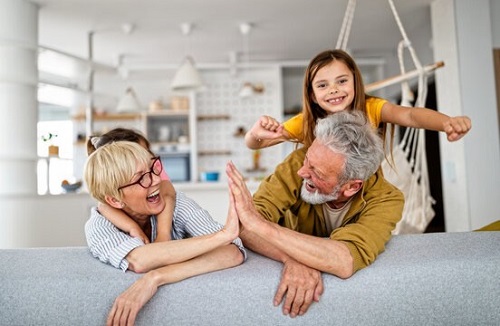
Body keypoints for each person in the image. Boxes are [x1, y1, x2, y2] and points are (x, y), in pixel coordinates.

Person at [227, 110, 404, 318]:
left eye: (317, 173)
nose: (303, 172)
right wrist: (292, 258)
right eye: (307, 161)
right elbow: (244, 225)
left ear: (351, 187)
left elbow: (344, 260)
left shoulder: (388, 199)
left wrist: (262, 227)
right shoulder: (300, 162)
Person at [84, 141, 246, 326]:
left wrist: (157, 277)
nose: (156, 180)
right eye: (141, 178)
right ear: (114, 200)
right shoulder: (98, 226)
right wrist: (223, 235)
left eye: (153, 169)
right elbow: (140, 260)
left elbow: (233, 252)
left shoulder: (177, 204)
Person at [245, 49, 471, 150]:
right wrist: (255, 134)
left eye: (341, 81)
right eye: (323, 86)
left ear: (355, 82)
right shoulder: (306, 122)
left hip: (362, 192)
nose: (333, 90)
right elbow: (259, 144)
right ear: (312, 95)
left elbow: (410, 115)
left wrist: (446, 122)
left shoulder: (371, 108)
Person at [87, 128, 174, 243]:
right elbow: (104, 206)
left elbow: (168, 193)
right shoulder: (101, 225)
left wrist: (163, 234)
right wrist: (132, 227)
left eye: (148, 151)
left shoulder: (154, 170)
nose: (145, 156)